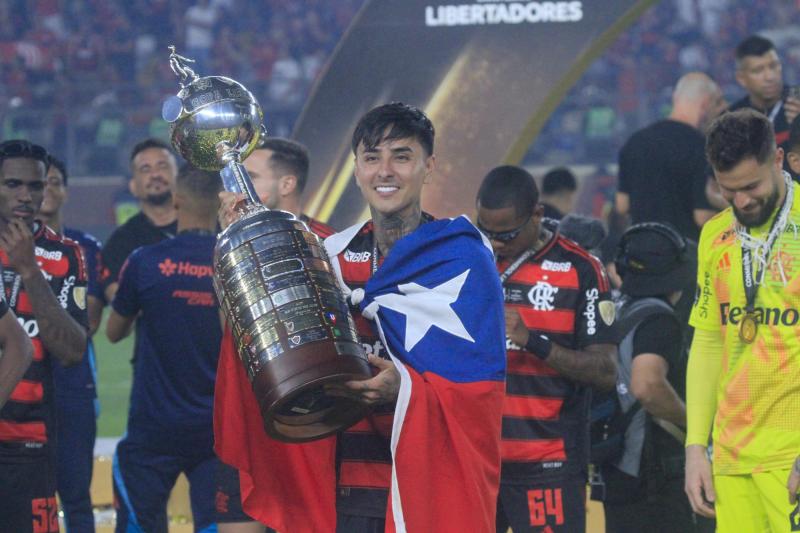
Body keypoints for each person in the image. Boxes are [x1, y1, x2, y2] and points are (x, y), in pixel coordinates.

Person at [214, 102, 506, 532]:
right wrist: (244, 258)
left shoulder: (464, 260)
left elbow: (480, 395)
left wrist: (401, 389)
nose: (384, 171)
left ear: (429, 167)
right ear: (357, 169)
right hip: (344, 492)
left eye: (401, 156)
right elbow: (260, 348)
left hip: (425, 492)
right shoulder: (328, 257)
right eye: (372, 158)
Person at [475, 165, 617, 533]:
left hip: (548, 465)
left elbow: (605, 371)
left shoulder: (582, 268)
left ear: (537, 214)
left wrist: (534, 342)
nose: (495, 243)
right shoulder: (469, 260)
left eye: (505, 233)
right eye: (486, 231)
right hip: (477, 462)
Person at [685, 109, 800, 532]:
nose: (742, 201)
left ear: (777, 160)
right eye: (728, 190)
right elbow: (710, 341)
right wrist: (696, 447)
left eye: (751, 187)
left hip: (792, 456)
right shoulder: (714, 235)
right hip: (731, 459)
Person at [215, 138, 335, 533]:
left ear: (286, 185)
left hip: (307, 428)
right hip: (250, 416)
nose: (237, 187)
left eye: (250, 176)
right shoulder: (234, 243)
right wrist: (229, 254)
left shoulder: (326, 244)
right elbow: (229, 331)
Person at [106, 164, 223, 533]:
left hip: (153, 429)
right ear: (221, 202)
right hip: (216, 429)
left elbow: (113, 332)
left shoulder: (144, 261)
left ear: (176, 200)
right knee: (217, 524)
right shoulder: (233, 263)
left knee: (141, 524)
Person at [599, 222, 713, 533]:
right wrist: (696, 425)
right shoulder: (659, 319)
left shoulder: (620, 308)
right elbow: (647, 385)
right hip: (654, 471)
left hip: (618, 464)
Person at [0, 139, 89, 533]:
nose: (26, 196)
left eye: (36, 186)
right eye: (13, 184)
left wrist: (30, 273)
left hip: (28, 441)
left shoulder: (64, 255)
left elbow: (71, 351)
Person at [38, 155, 103, 533]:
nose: (45, 190)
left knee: (76, 494)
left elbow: (89, 322)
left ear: (65, 191)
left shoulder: (85, 249)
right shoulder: (7, 249)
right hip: (20, 384)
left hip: (73, 386)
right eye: (37, 183)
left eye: (53, 182)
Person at [615, 72, 724, 243]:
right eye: (717, 103)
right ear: (705, 104)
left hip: (640, 255)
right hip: (683, 256)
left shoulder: (635, 141)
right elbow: (702, 216)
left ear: (675, 97)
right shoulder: (701, 147)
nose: (721, 109)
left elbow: (622, 205)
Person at [100, 138, 178, 303]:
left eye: (162, 166)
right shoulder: (120, 243)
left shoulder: (206, 225)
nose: (155, 174)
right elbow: (117, 299)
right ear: (133, 187)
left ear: (178, 176)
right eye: (145, 169)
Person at [730, 35, 800, 151]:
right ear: (741, 78)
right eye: (758, 70)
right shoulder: (732, 120)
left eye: (773, 66)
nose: (770, 76)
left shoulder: (797, 100)